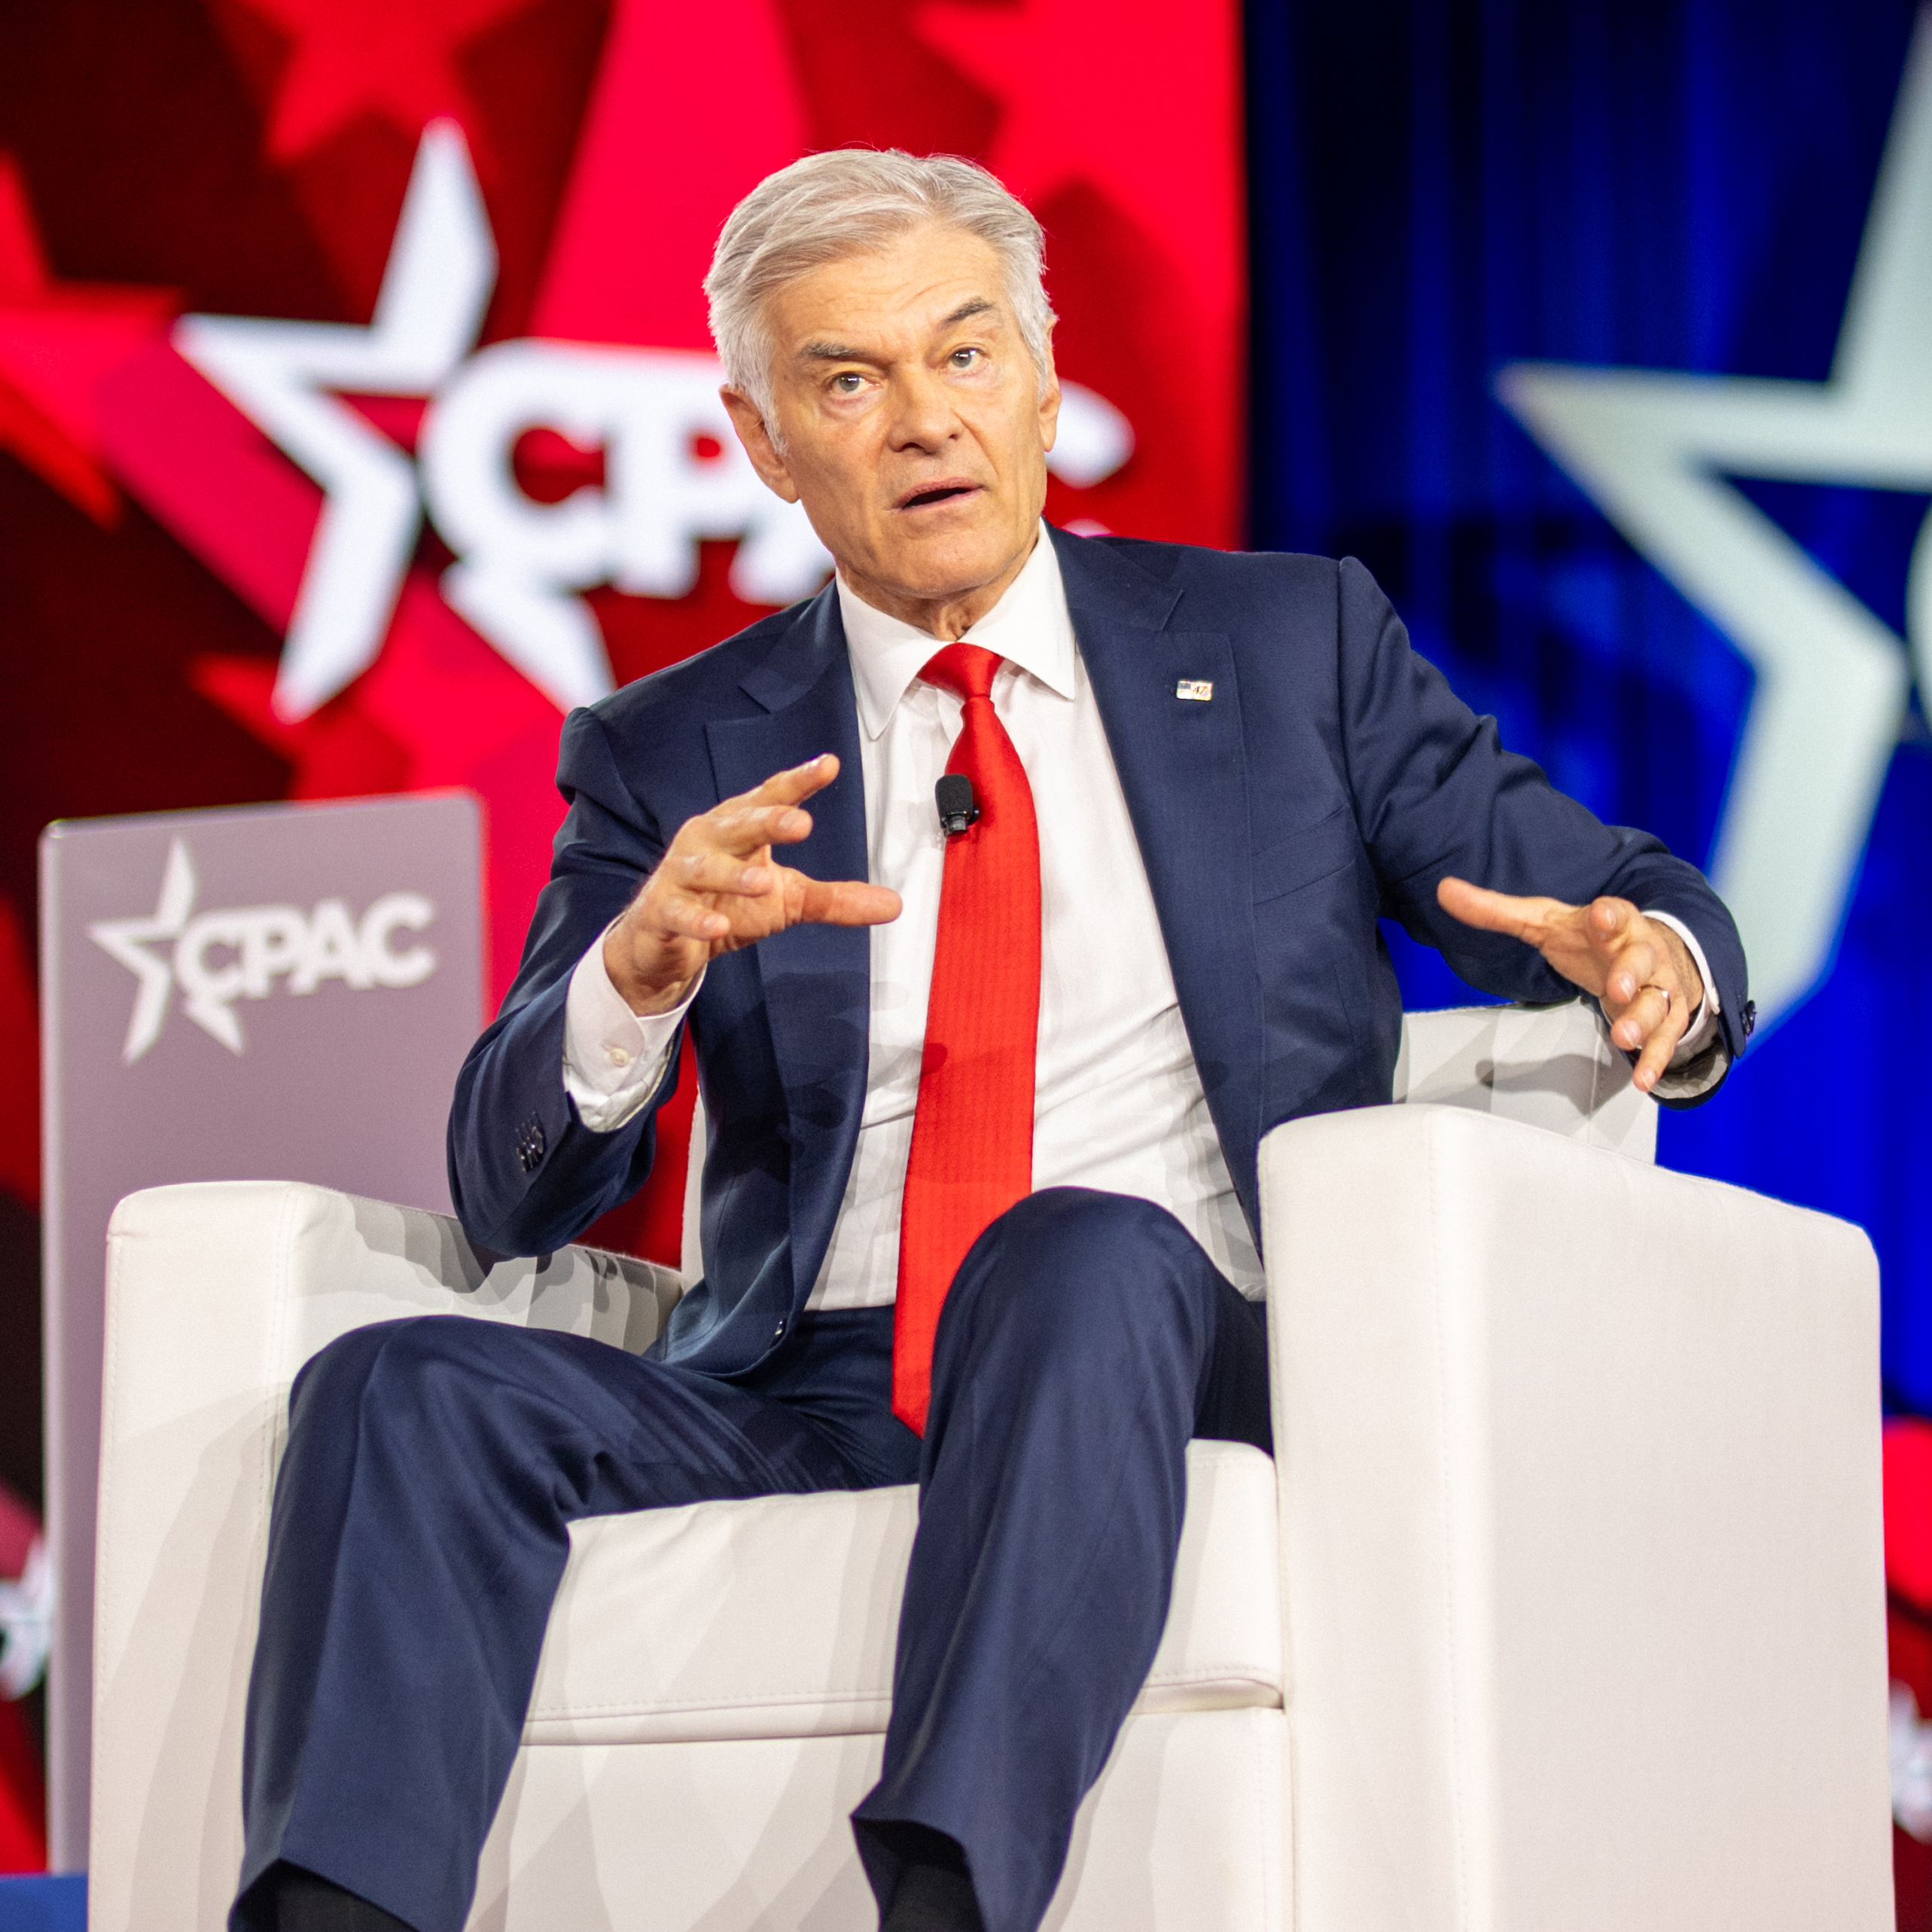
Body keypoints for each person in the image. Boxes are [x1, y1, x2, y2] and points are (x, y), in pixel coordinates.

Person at [231, 150, 1749, 1932]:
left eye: (962, 354)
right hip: (809, 1383)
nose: (922, 420)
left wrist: (1651, 960)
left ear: (1039, 375)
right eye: (845, 381)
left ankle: (945, 1906)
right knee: (398, 1384)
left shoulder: (1286, 644)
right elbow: (507, 1194)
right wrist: (629, 980)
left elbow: (1616, 889)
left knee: (1076, 1248)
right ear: (761, 440)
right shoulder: (673, 747)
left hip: (1167, 1335)